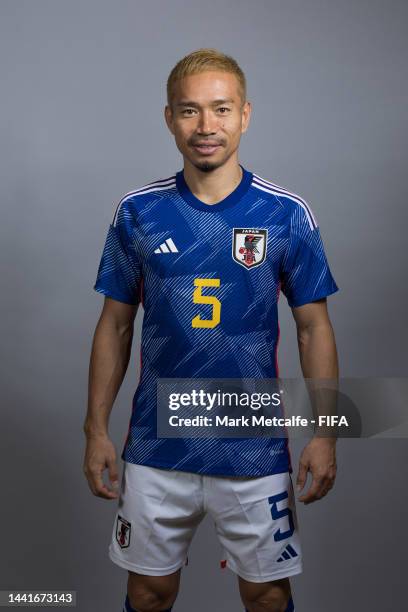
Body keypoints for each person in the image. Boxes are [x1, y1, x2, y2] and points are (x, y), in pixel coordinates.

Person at [83, 48, 339, 612]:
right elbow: (116, 326)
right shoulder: (136, 213)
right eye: (190, 111)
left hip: (252, 446)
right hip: (156, 445)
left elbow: (313, 329)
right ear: (169, 118)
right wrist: (95, 428)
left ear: (245, 115)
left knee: (268, 597)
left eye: (220, 109)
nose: (206, 126)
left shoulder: (285, 213)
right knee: (148, 593)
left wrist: (324, 433)